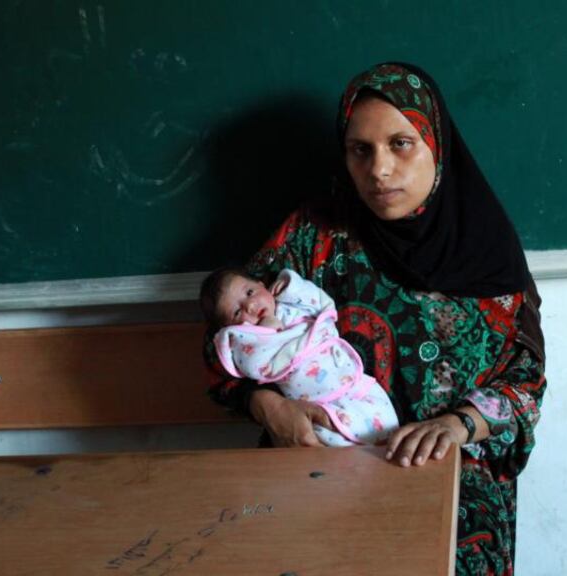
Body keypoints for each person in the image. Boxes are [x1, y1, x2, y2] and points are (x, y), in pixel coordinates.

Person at [204, 62, 546, 575]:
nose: (379, 170)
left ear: (436, 145)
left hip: (448, 473)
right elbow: (224, 339)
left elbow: (525, 388)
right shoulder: (313, 236)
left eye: (401, 144)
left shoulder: (486, 248)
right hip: (319, 464)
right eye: (360, 150)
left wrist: (457, 425)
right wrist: (267, 407)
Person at [200, 266, 400, 447]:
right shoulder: (246, 341)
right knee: (330, 442)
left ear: (263, 285)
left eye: (250, 292)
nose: (250, 306)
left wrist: (290, 287)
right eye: (237, 312)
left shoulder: (291, 304)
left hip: (355, 385)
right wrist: (265, 335)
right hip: (316, 407)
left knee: (387, 427)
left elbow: (318, 300)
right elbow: (251, 365)